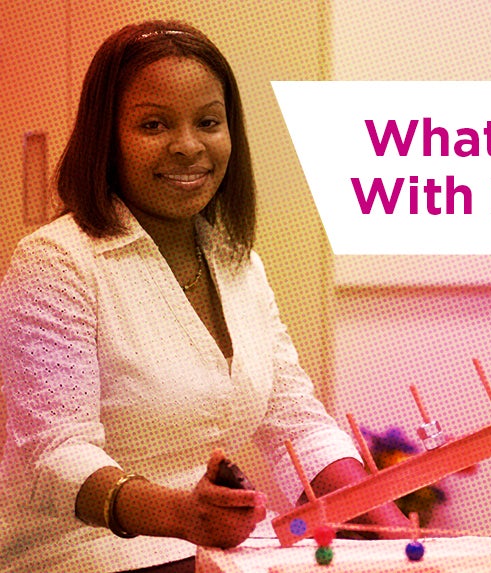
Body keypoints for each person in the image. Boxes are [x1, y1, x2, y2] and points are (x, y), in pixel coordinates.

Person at [0, 20, 406, 573]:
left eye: (209, 122)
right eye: (153, 124)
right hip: (82, 555)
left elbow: (295, 422)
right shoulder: (55, 261)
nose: (189, 146)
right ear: (105, 139)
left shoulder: (239, 263)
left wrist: (384, 516)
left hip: (212, 554)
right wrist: (183, 516)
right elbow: (55, 454)